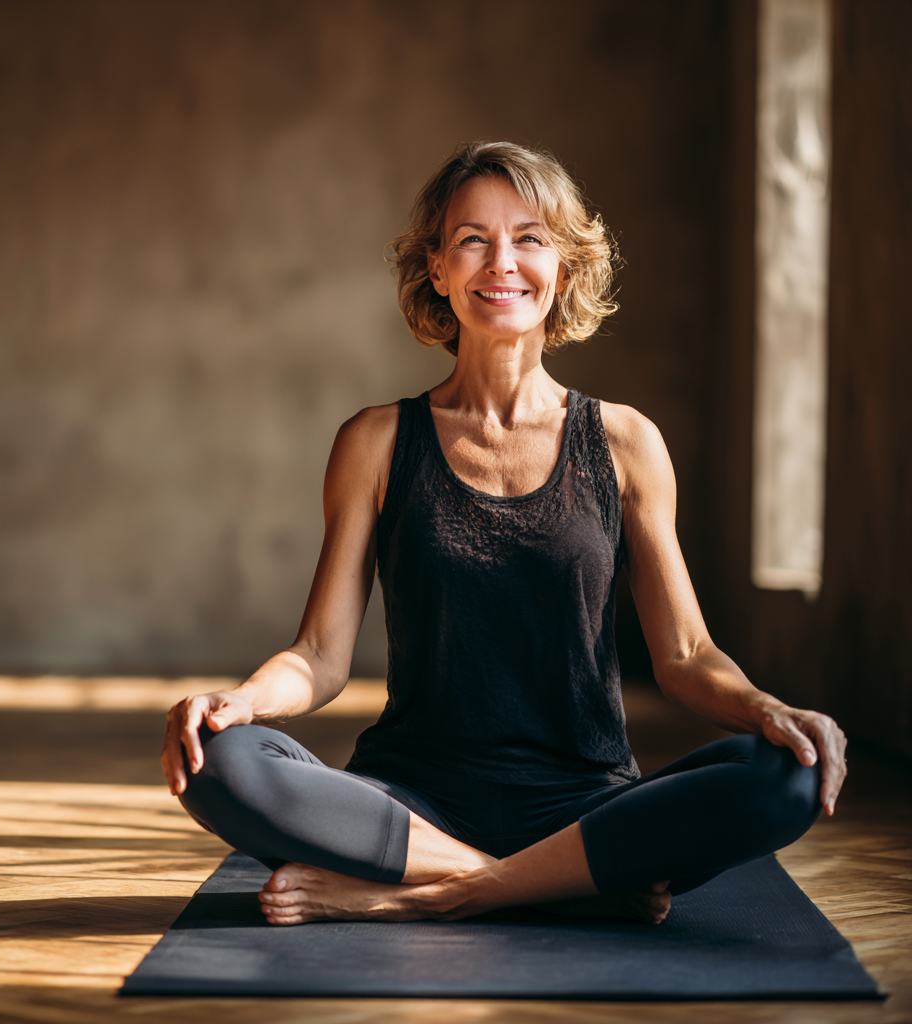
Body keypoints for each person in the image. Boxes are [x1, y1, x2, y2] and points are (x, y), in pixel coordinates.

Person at [161, 141, 847, 927]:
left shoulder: (625, 442)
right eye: (472, 240)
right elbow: (318, 655)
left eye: (529, 238)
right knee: (218, 758)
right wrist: (240, 701)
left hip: (583, 803)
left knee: (788, 771)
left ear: (564, 265)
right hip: (411, 803)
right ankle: (554, 886)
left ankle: (429, 896)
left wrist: (765, 708)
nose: (502, 263)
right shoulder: (376, 442)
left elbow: (687, 656)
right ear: (437, 267)